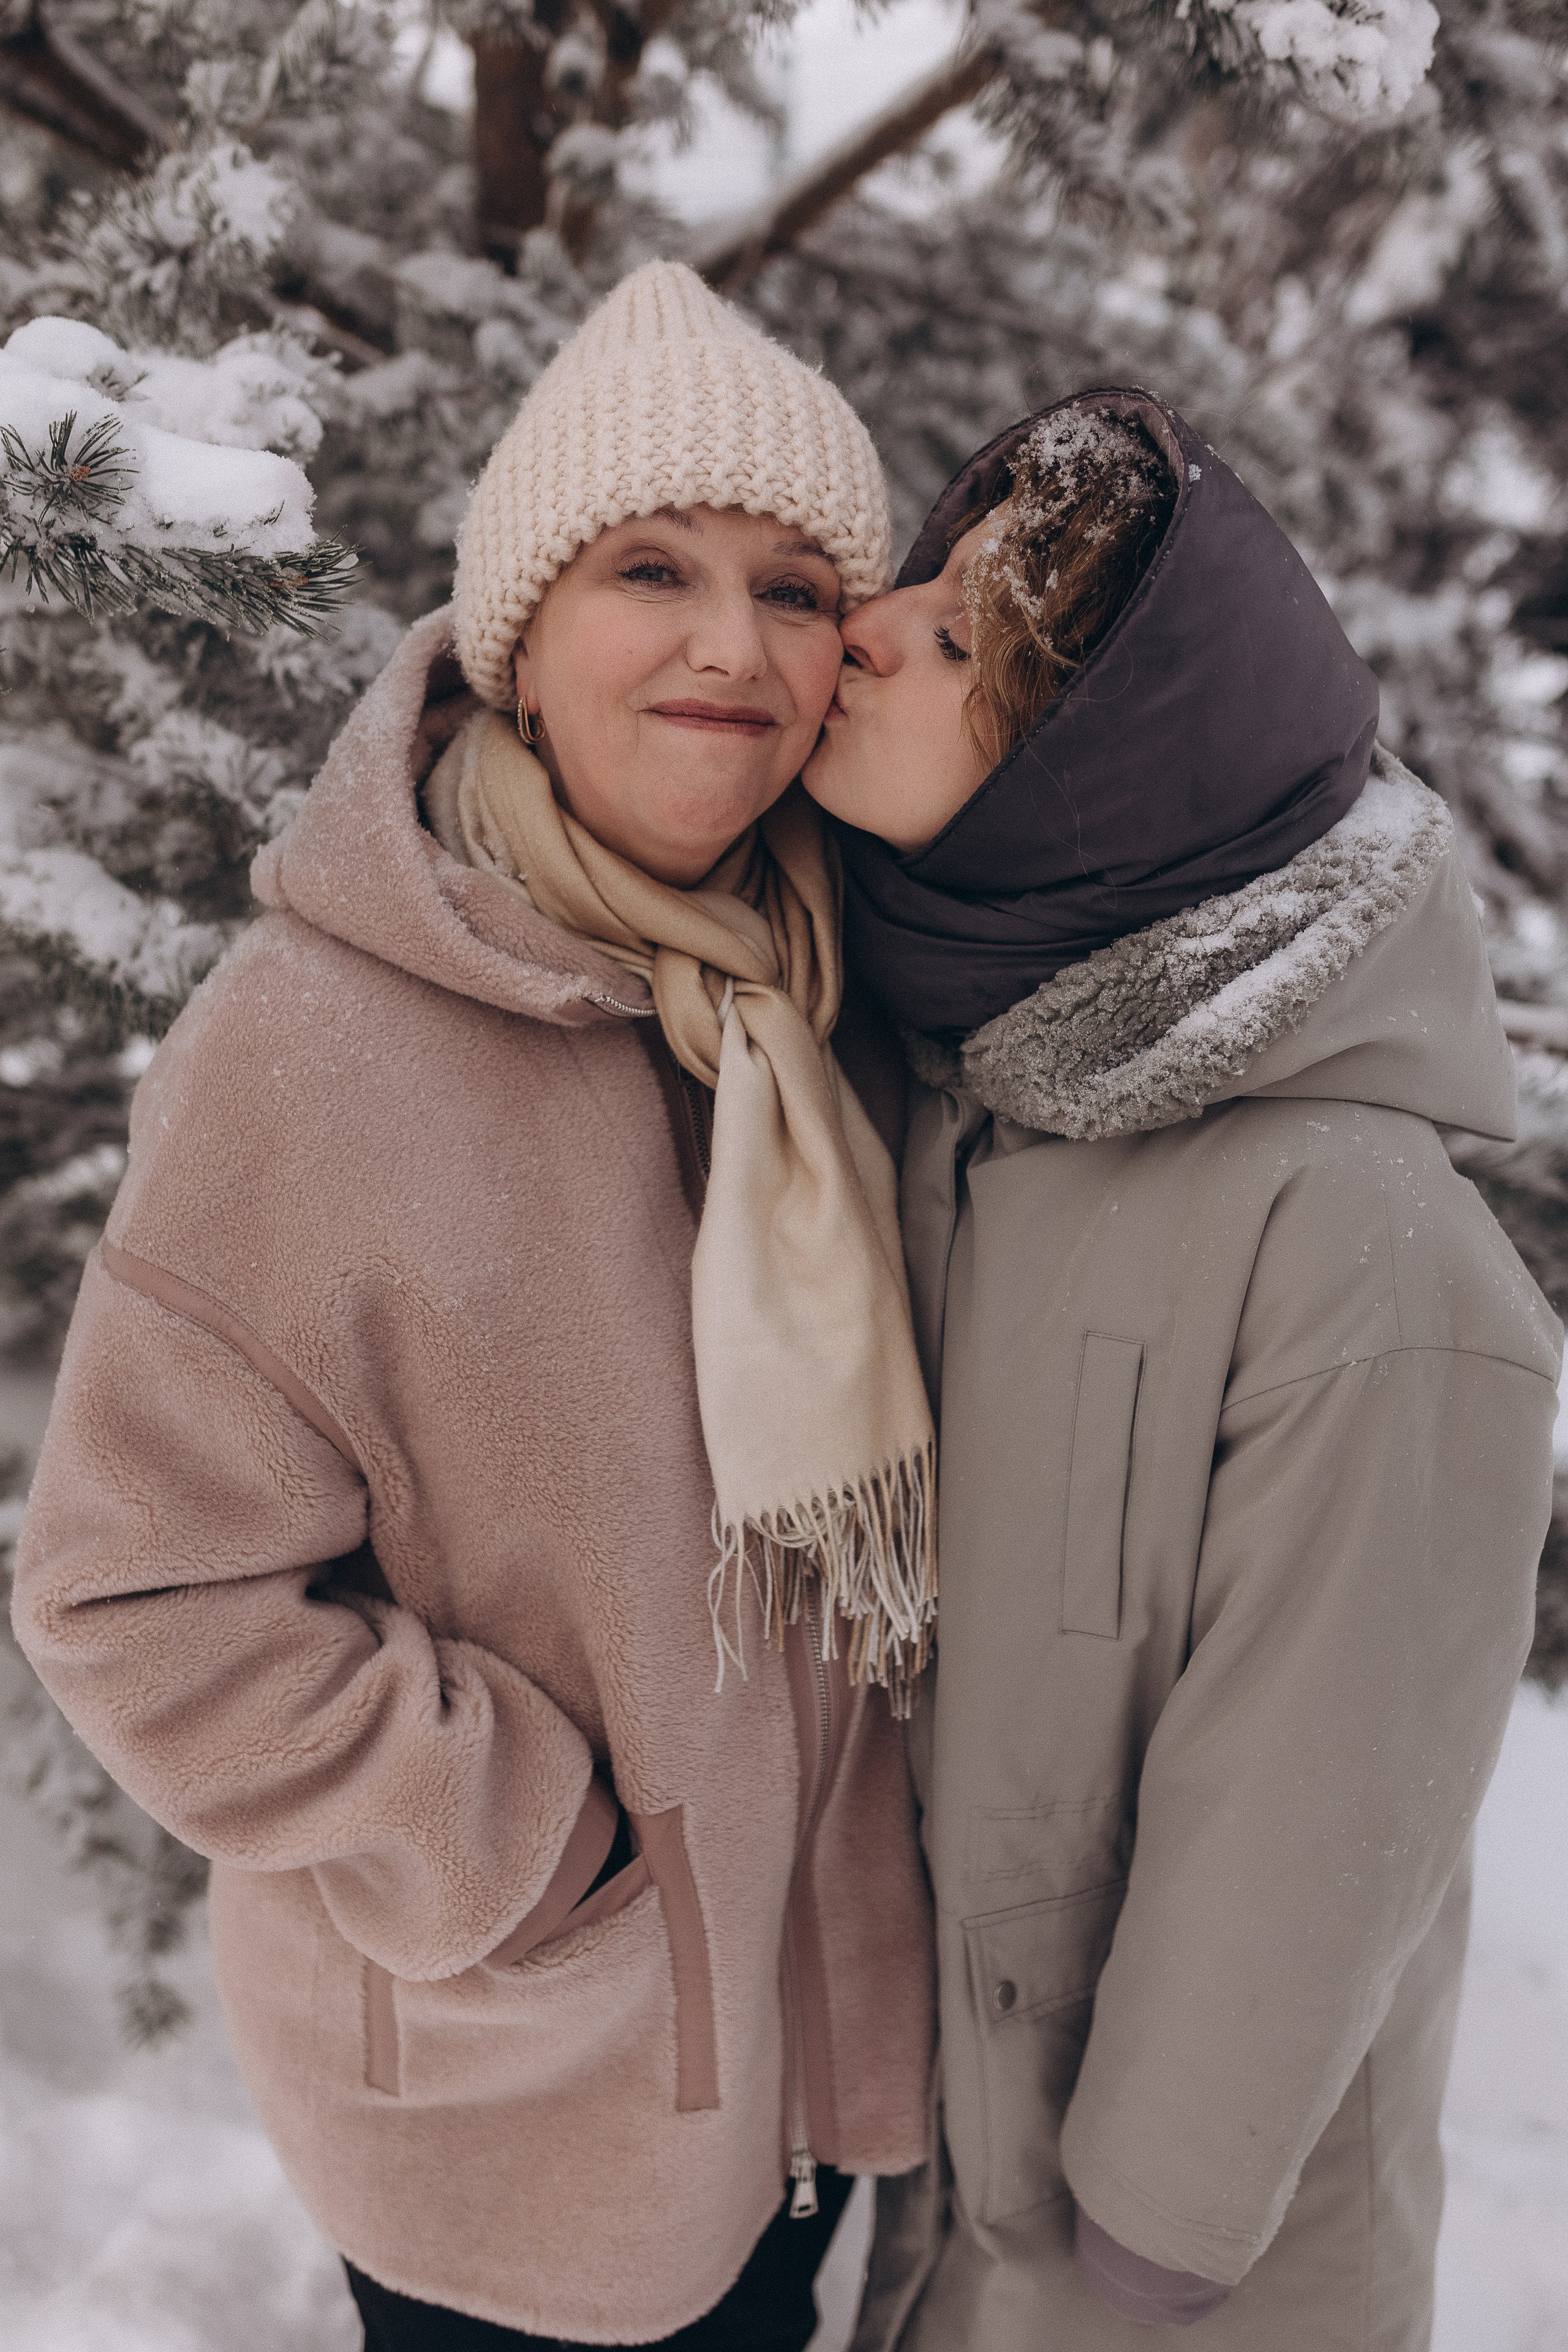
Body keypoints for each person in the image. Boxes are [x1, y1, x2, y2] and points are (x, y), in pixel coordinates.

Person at [11, 261, 938, 2351]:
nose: (732, 643)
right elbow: (133, 1603)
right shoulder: (317, 1041)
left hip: (795, 2071)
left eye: (798, 589)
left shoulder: (816, 1008)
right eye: (653, 568)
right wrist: (539, 1851)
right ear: (523, 632)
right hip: (527, 2088)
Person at [803, 387, 1562, 2349]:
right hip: (938, 2206)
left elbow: (1315, 1807)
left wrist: (1148, 2226)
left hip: (1180, 2277)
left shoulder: (1367, 1244)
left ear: (1098, 770)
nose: (868, 628)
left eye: (961, 643)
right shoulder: (957, 1092)